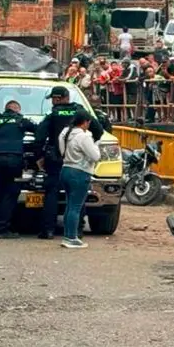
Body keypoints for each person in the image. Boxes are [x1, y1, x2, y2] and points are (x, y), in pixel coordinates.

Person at [35, 85, 104, 240]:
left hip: (56, 159)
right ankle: (77, 230)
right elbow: (99, 130)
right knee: (76, 198)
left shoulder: (52, 114)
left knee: (51, 194)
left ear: (61, 98)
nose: (53, 101)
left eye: (55, 98)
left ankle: (48, 230)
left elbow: (39, 136)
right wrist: (87, 144)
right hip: (78, 161)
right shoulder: (80, 112)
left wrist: (39, 156)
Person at [57, 110, 100, 249]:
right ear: (85, 122)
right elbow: (95, 156)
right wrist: (96, 145)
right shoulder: (83, 137)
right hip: (79, 172)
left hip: (65, 169)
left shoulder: (65, 133)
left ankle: (68, 235)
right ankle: (71, 237)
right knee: (75, 207)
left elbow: (62, 151)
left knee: (70, 205)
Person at [0, 100, 36, 239]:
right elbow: (37, 129)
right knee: (10, 193)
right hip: (13, 160)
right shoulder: (21, 120)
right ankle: (2, 229)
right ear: (17, 110)